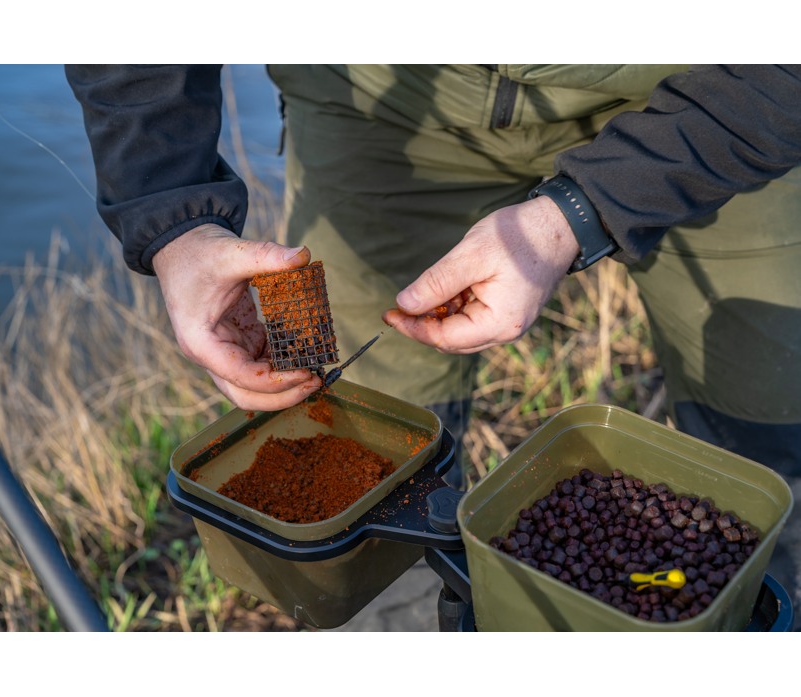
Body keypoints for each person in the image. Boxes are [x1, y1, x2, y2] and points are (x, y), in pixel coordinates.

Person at [67, 64, 801, 627]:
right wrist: (174, 219)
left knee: (766, 435)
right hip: (374, 103)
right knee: (369, 461)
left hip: (713, 104)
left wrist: (575, 216)